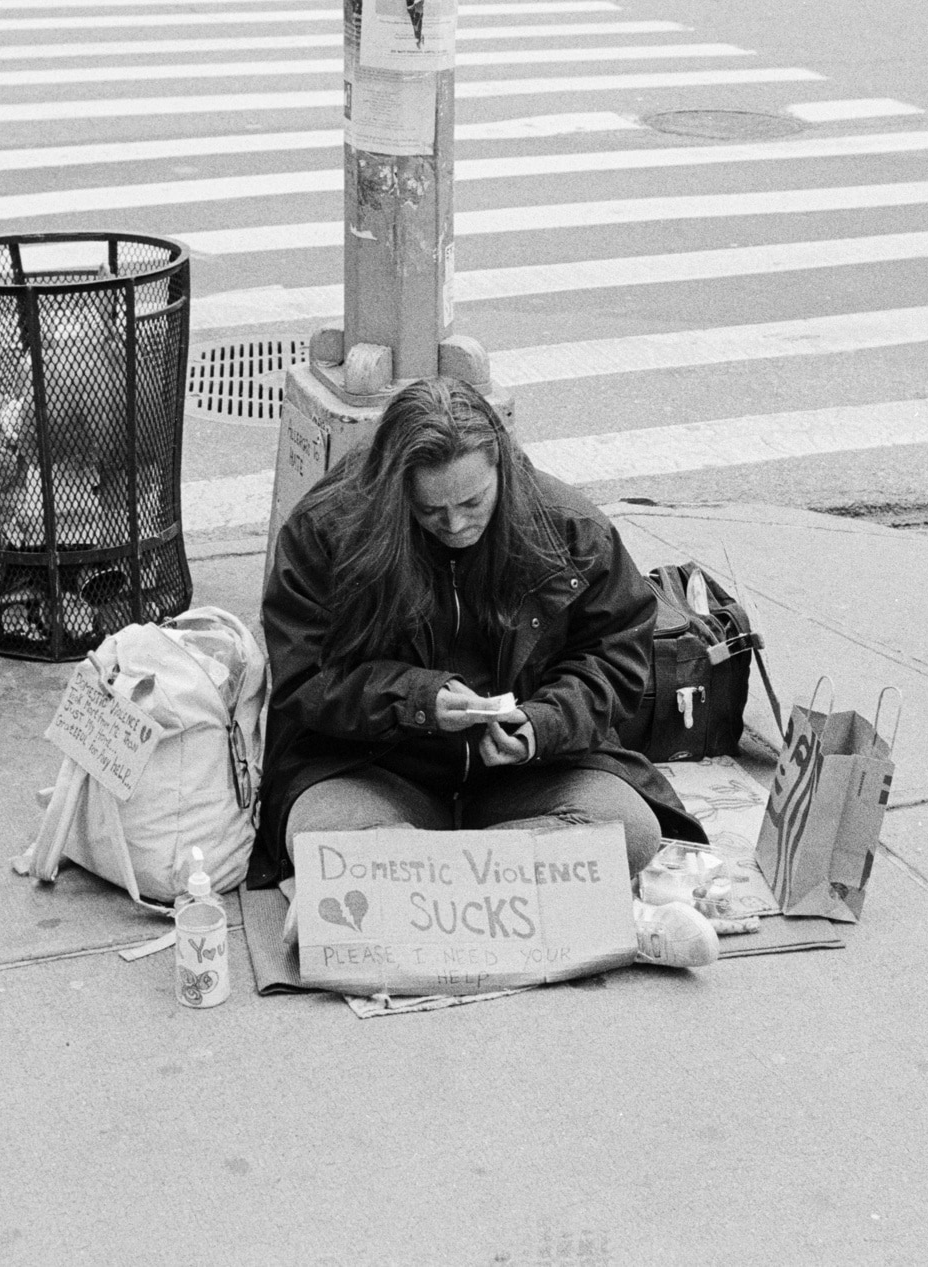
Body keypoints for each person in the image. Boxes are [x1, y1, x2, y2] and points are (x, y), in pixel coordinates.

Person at [247, 376, 719, 967]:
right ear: (397, 491)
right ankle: (606, 920)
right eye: (430, 510)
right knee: (322, 835)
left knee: (631, 830)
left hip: (527, 775)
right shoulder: (327, 529)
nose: (455, 524)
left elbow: (615, 656)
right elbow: (302, 677)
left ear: (501, 468)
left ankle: (387, 898)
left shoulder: (569, 528)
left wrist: (542, 725)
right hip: (373, 769)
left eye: (473, 502)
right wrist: (417, 699)